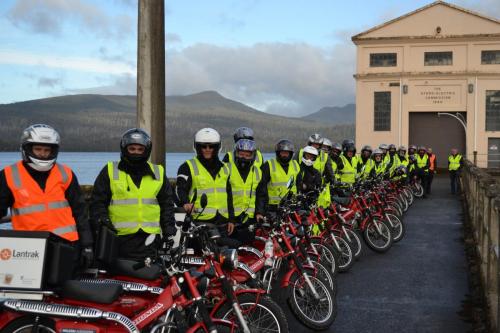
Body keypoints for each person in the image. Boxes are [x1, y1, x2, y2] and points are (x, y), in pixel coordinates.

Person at [0, 124, 94, 269]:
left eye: (47, 149)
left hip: (66, 245)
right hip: (27, 248)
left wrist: (87, 245)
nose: (43, 154)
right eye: (38, 149)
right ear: (27, 149)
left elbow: (80, 212)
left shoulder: (65, 173)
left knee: (64, 289)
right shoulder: (8, 175)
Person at [90, 128, 176, 260]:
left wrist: (169, 231)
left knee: (152, 277)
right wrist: (104, 225)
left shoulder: (158, 172)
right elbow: (97, 203)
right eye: (132, 149)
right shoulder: (110, 170)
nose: (136, 152)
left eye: (140, 149)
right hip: (119, 238)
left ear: (146, 151)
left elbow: (167, 205)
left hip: (150, 239)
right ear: (125, 149)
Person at [176, 128, 234, 238]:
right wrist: (185, 203)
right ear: (197, 147)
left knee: (225, 253)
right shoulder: (187, 167)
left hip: (223, 221)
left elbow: (229, 196)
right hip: (200, 222)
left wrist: (232, 219)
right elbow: (180, 190)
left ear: (217, 147)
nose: (207, 149)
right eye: (203, 146)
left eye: (211, 146)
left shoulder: (225, 168)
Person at [255, 139, 300, 221]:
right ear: (278, 153)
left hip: (291, 207)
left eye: (287, 153)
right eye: (282, 153)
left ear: (291, 154)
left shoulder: (296, 165)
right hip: (272, 209)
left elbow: (299, 186)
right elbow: (261, 190)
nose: (284, 155)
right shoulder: (268, 165)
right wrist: (259, 212)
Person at [227, 138, 261, 245]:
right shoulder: (227, 169)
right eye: (241, 154)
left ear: (253, 155)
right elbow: (224, 195)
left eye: (247, 155)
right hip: (230, 219)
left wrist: (260, 212)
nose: (244, 157)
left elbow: (261, 195)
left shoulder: (258, 172)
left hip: (250, 220)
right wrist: (230, 219)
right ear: (235, 153)